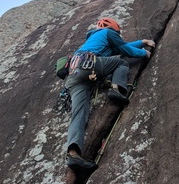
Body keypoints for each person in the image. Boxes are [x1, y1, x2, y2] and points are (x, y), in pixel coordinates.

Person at [65, 17, 155, 174]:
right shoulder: (108, 32)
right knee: (121, 62)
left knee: (78, 114)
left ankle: (73, 154)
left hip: (74, 74)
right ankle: (116, 89)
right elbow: (125, 50)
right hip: (90, 65)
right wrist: (143, 52)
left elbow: (122, 46)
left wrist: (142, 41)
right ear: (115, 28)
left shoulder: (94, 39)